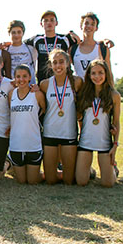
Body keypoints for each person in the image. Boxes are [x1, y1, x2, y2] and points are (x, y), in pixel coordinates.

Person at [40, 49, 83, 185]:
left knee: (68, 181)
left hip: (68, 134)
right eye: (55, 63)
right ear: (50, 65)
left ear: (68, 63)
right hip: (50, 133)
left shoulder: (76, 82)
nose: (58, 66)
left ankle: (84, 172)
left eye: (61, 62)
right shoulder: (45, 84)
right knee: (50, 180)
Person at [75, 60, 120, 187]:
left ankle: (113, 170)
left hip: (104, 143)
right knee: (81, 181)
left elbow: (116, 122)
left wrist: (115, 144)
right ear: (89, 75)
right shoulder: (84, 93)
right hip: (86, 142)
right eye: (93, 73)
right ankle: (90, 170)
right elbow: (79, 117)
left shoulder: (114, 95)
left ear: (106, 74)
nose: (97, 76)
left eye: (101, 73)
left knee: (108, 184)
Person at [8, 65, 46, 184]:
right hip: (16, 145)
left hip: (33, 144)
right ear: (14, 78)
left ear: (30, 77)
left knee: (32, 181)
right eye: (18, 76)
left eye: (25, 76)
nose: (21, 79)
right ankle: (11, 166)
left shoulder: (37, 94)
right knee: (21, 181)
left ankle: (51, 174)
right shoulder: (11, 94)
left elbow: (44, 110)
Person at [70, 12, 113, 81]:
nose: (89, 26)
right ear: (81, 26)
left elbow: (109, 73)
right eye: (86, 23)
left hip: (96, 90)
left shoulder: (102, 48)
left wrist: (112, 90)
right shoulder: (73, 49)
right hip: (79, 90)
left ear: (96, 28)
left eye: (92, 24)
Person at [5, 20, 37, 85]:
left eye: (19, 32)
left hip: (29, 87)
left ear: (23, 33)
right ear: (9, 34)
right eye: (13, 33)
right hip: (12, 87)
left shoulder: (31, 49)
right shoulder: (5, 50)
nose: (16, 35)